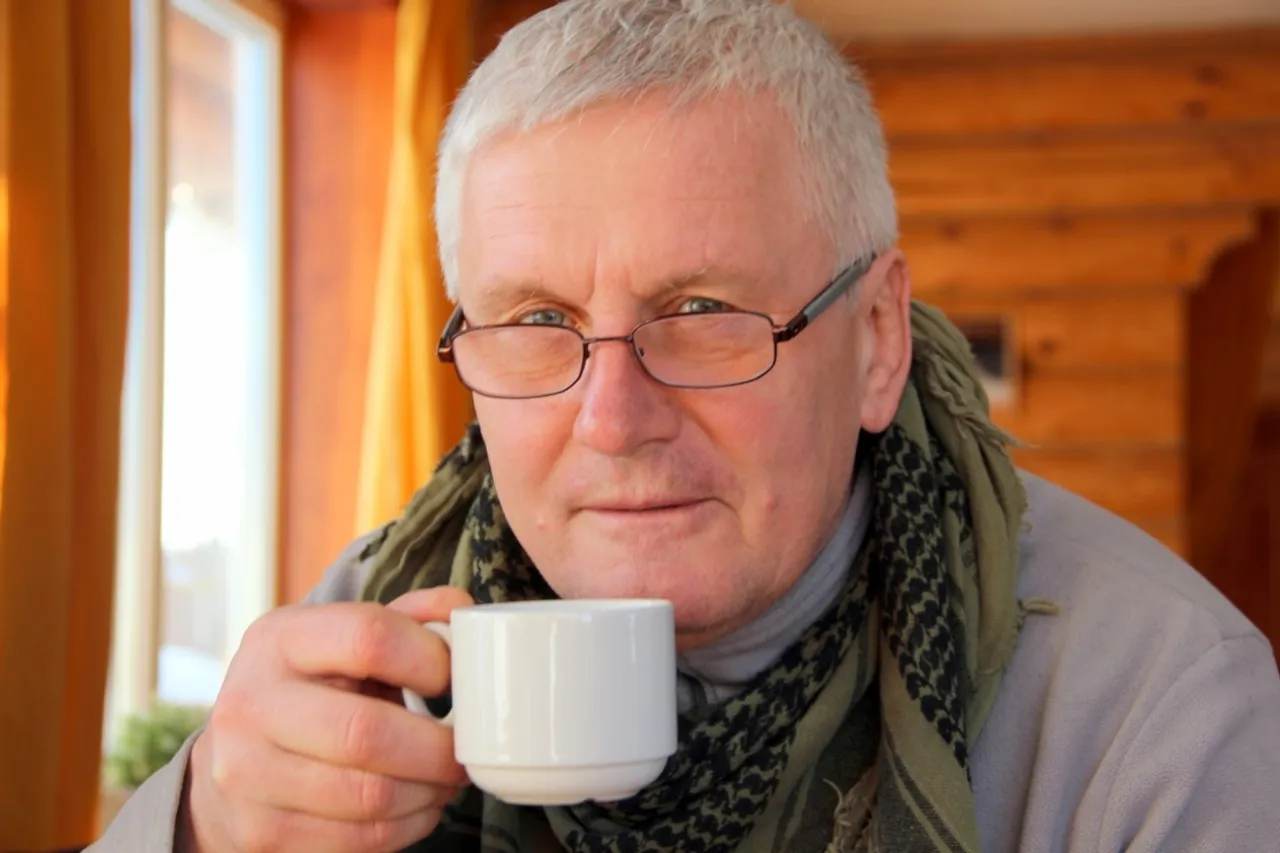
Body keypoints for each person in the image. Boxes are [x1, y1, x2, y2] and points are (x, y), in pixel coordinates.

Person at [91, 1, 1280, 851]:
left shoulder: (1156, 714)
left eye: (702, 312)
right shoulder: (375, 631)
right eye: (536, 319)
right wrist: (199, 821)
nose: (611, 420)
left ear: (875, 340)